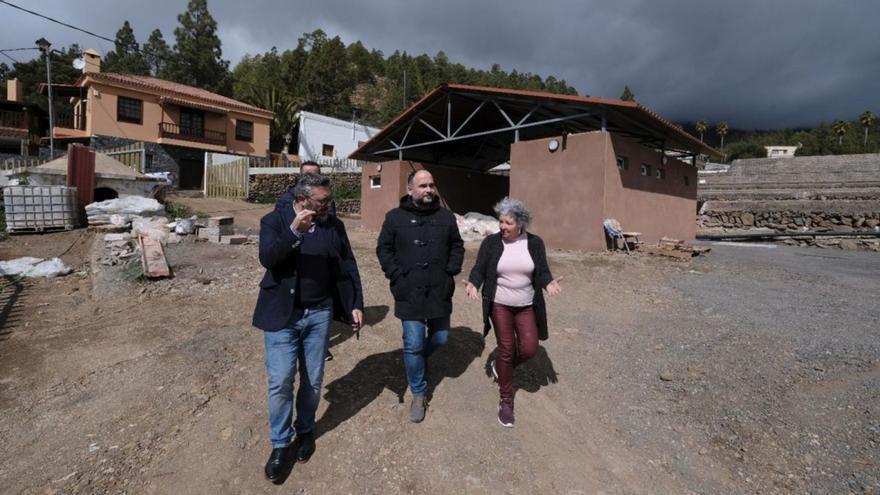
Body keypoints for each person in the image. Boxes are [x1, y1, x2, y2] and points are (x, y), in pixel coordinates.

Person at [253, 173, 364, 482]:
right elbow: (268, 259)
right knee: (281, 381)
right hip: (282, 316)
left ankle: (305, 430)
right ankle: (280, 444)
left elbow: (347, 266)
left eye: (329, 199)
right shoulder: (273, 221)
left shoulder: (333, 226)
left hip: (319, 314)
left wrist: (355, 302)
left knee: (313, 380)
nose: (329, 204)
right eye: (323, 200)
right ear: (302, 200)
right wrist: (294, 233)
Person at [376, 169, 464, 423]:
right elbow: (384, 248)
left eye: (431, 185)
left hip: (439, 289)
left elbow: (457, 246)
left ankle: (419, 359)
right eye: (423, 185)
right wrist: (396, 275)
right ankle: (418, 392)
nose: (428, 190)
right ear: (410, 189)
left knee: (441, 337)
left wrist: (451, 271)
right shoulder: (394, 218)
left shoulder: (446, 217)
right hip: (409, 291)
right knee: (413, 343)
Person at [465, 197, 561, 427]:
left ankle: (501, 366)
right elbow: (479, 268)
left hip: (526, 304)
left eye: (508, 223)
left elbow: (542, 271)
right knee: (507, 348)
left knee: (529, 348)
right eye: (500, 222)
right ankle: (506, 398)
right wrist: (472, 283)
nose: (502, 227)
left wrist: (548, 283)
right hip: (499, 303)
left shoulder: (535, 243)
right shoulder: (491, 243)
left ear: (521, 224)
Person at [275, 160, 338, 361]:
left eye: (315, 173)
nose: (312, 176)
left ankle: (319, 344)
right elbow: (275, 243)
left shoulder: (325, 201)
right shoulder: (285, 200)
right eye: (308, 173)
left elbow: (331, 225)